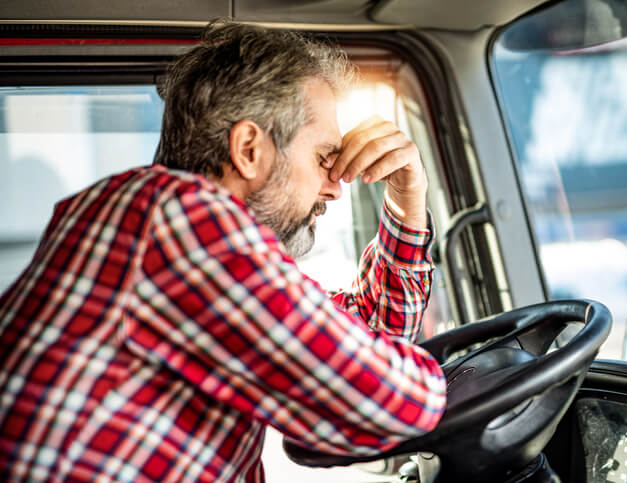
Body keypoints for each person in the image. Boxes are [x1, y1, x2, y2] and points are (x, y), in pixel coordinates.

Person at [0, 21, 446, 482]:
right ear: (248, 148)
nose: (336, 187)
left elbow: (369, 337)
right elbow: (395, 402)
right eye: (322, 159)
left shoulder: (168, 228)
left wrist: (404, 201)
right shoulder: (183, 221)